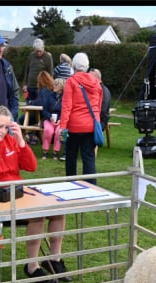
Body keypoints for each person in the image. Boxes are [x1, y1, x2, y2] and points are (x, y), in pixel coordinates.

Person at [0, 102, 69, 283]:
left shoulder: (10, 141)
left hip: (19, 194)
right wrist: (13, 191)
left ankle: (54, 259)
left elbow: (31, 166)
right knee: (38, 214)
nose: (4, 131)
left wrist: (21, 141)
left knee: (58, 209)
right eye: (0, 126)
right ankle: (32, 267)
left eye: (7, 127)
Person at [59, 52, 102, 185]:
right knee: (89, 158)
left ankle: (70, 185)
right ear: (87, 66)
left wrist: (63, 127)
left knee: (71, 157)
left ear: (74, 66)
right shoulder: (96, 82)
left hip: (74, 126)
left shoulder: (71, 81)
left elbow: (66, 107)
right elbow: (98, 105)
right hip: (91, 126)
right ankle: (91, 187)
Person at [35, 71, 59, 160]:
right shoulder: (50, 92)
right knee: (49, 130)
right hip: (49, 117)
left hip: (57, 119)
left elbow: (39, 103)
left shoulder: (44, 91)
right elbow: (44, 108)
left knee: (59, 132)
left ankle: (55, 152)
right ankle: (45, 150)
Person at [23, 38, 53, 103]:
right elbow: (27, 70)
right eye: (37, 51)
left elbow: (50, 73)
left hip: (41, 87)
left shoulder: (47, 57)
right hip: (30, 86)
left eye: (40, 51)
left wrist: (50, 86)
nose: (39, 53)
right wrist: (25, 84)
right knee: (29, 106)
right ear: (34, 49)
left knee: (40, 108)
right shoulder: (31, 55)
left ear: (43, 48)